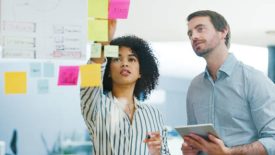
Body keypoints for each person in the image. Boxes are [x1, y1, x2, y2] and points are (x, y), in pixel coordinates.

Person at [181, 10, 275, 155]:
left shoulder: (254, 80)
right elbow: (195, 139)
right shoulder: (195, 86)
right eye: (190, 33)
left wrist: (229, 153)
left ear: (223, 31)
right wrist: (190, 149)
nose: (194, 36)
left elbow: (273, 139)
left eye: (200, 29)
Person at [80, 20, 170, 155]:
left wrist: (157, 152)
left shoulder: (154, 114)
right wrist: (102, 42)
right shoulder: (97, 106)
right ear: (108, 71)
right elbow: (91, 72)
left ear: (141, 71)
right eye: (117, 59)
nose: (124, 64)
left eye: (131, 59)